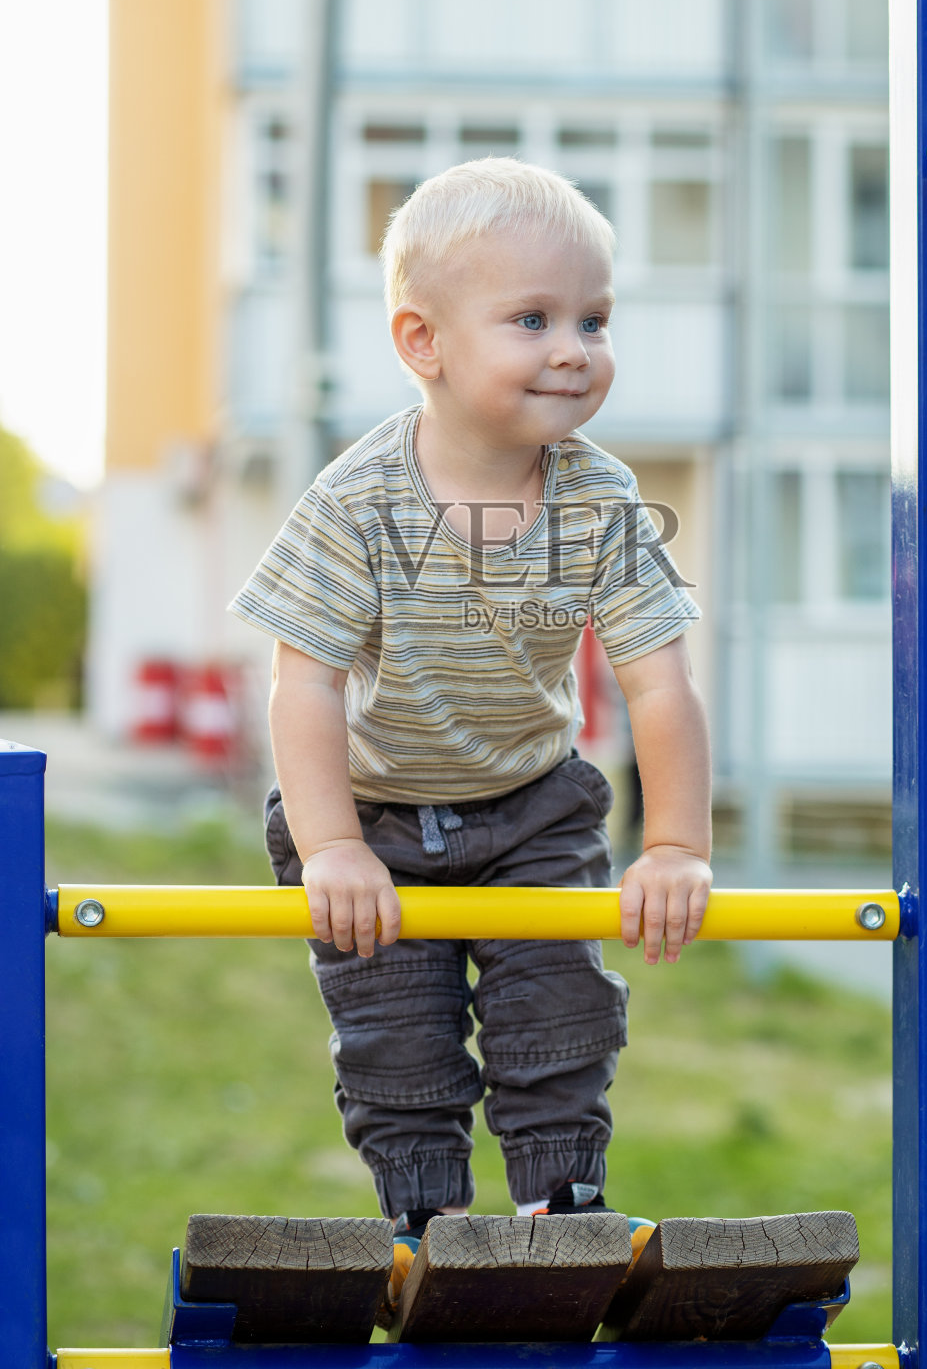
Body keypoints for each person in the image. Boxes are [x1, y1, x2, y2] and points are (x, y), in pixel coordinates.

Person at [229, 158, 712, 1271]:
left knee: (560, 1019)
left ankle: (561, 1213)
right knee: (399, 1040)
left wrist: (676, 843)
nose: (571, 348)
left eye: (593, 318)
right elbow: (300, 681)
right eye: (531, 318)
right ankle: (425, 1228)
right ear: (422, 342)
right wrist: (331, 845)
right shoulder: (356, 500)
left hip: (531, 806)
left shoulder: (600, 498)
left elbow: (657, 682)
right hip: (375, 813)